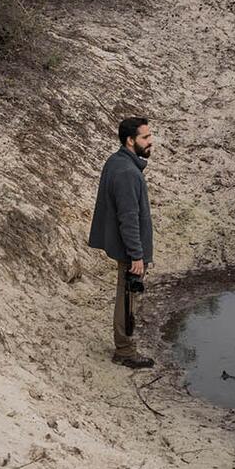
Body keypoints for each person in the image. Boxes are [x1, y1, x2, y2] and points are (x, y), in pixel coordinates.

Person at [88, 116, 156, 368]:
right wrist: (136, 256)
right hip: (130, 251)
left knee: (127, 296)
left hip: (126, 247)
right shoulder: (128, 172)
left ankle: (125, 346)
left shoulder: (116, 162)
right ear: (130, 140)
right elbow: (128, 218)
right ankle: (125, 351)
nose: (151, 141)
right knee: (128, 299)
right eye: (145, 137)